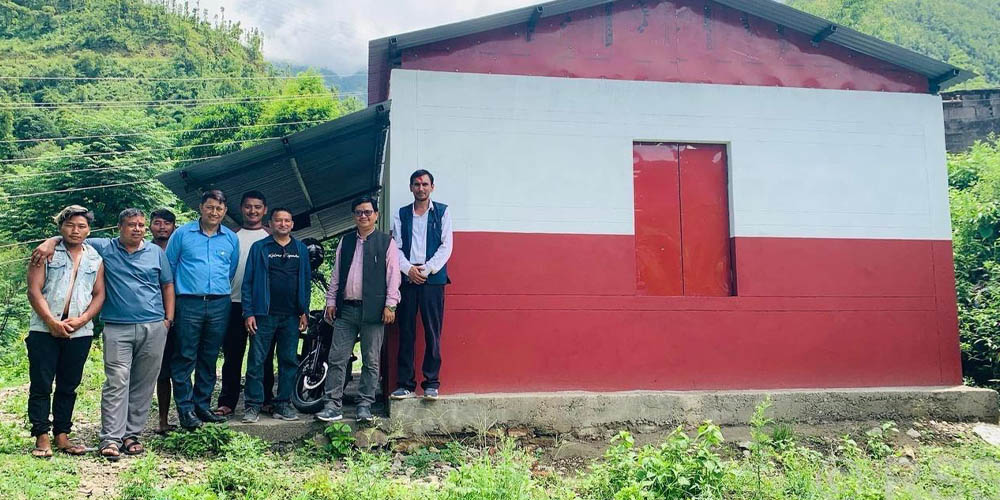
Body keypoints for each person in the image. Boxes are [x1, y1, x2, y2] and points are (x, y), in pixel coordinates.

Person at [25, 206, 105, 458]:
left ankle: (62, 435)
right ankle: (41, 436)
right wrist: (51, 322)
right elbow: (33, 290)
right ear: (61, 227)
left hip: (79, 332)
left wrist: (83, 319)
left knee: (68, 385)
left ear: (89, 230)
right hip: (44, 330)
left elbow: (99, 294)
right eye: (70, 225)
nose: (75, 231)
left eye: (81, 226)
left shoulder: (94, 257)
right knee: (41, 384)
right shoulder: (45, 252)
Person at [317, 196, 400, 423]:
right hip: (346, 310)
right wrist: (331, 301)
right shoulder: (345, 242)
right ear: (354, 216)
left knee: (371, 360)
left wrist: (390, 305)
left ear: (376, 215)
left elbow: (393, 276)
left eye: (367, 212)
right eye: (359, 212)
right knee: (337, 358)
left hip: (374, 310)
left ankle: (364, 405)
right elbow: (336, 274)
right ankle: (332, 405)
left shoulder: (386, 242)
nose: (363, 216)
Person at [165, 190, 239, 429]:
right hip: (188, 302)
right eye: (210, 207)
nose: (214, 212)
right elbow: (169, 268)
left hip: (219, 303)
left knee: (209, 356)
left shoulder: (230, 238)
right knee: (185, 355)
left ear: (224, 212)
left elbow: (230, 271)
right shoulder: (182, 234)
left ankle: (202, 406)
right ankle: (185, 410)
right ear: (201, 208)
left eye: (219, 209)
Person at [240, 207, 311, 423]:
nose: (283, 224)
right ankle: (253, 405)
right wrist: (249, 312)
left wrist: (304, 311)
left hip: (291, 316)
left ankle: (283, 404)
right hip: (263, 315)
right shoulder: (260, 247)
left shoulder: (300, 249)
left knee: (288, 361)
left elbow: (305, 282)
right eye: (278, 220)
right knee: (257, 361)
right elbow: (248, 282)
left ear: (292, 224)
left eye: (287, 220)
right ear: (270, 224)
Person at [391, 170, 453, 401]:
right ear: (411, 187)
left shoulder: (442, 212)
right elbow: (396, 247)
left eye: (425, 184)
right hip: (407, 278)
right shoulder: (401, 214)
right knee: (406, 332)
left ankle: (431, 383)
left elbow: (446, 246)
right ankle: (405, 384)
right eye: (417, 184)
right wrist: (409, 270)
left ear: (432, 187)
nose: (421, 188)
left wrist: (426, 270)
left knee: (432, 332)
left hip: (432, 280)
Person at [216, 190, 276, 418]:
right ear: (241, 208)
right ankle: (227, 401)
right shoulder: (231, 236)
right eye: (248, 206)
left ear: (265, 210)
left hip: (263, 306)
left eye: (257, 207)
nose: (253, 211)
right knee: (233, 355)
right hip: (233, 303)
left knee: (264, 356)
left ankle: (265, 399)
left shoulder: (271, 236)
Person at [150, 208, 177, 433]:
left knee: (184, 365)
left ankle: (191, 413)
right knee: (162, 370)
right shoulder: (143, 248)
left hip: (184, 313)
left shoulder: (180, 247)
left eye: (167, 223)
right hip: (154, 316)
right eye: (157, 223)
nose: (162, 227)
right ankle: (162, 420)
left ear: (174, 227)